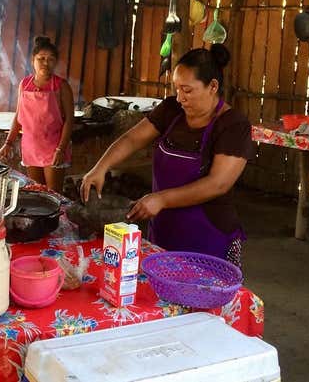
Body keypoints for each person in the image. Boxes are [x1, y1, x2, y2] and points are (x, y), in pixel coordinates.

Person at [80, 45, 254, 267]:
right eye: (176, 89)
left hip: (209, 237)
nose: (180, 97)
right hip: (164, 229)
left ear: (213, 86)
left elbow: (218, 184)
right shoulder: (171, 110)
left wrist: (161, 199)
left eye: (187, 90)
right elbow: (132, 139)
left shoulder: (233, 125)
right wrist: (101, 167)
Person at [0, 36, 74, 192]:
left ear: (55, 63)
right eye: (41, 58)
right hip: (31, 147)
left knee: (53, 194)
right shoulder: (24, 84)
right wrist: (8, 143)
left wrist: (61, 148)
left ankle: (54, 218)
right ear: (33, 60)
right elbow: (19, 117)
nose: (46, 63)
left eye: (51, 59)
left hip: (54, 148)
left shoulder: (61, 86)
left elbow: (69, 121)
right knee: (36, 191)